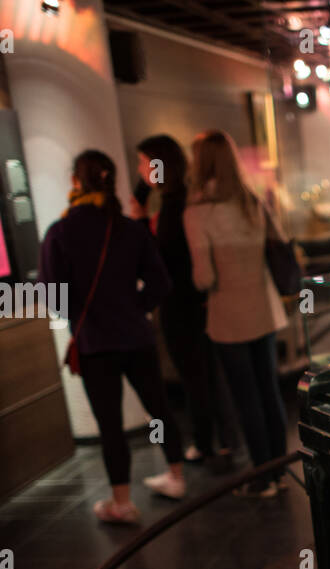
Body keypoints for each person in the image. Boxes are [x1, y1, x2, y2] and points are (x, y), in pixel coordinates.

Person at [39, 149, 187, 523]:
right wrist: (134, 308)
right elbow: (161, 282)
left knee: (110, 424)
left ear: (76, 181)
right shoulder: (129, 229)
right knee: (159, 407)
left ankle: (121, 503)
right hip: (137, 336)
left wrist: (81, 314)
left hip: (94, 343)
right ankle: (177, 476)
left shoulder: (60, 232)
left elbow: (53, 296)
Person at [182, 130, 289, 498]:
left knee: (246, 400)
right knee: (269, 392)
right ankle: (279, 469)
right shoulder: (251, 201)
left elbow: (204, 277)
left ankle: (263, 478)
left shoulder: (197, 213)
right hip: (265, 310)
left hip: (229, 317)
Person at [130, 134, 232, 464]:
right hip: (197, 301)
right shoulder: (181, 198)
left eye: (143, 162)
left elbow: (159, 260)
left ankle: (206, 445)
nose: (140, 169)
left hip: (181, 303)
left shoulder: (176, 205)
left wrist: (142, 219)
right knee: (207, 374)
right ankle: (225, 442)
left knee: (195, 376)